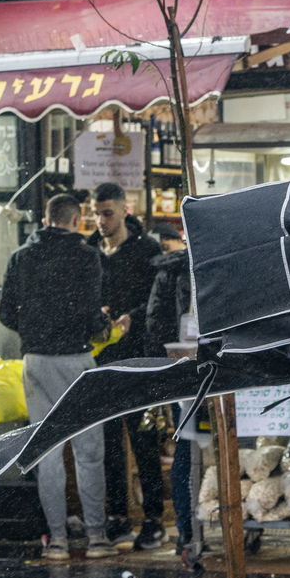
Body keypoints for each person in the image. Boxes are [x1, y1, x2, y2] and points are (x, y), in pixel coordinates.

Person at [0, 194, 120, 561]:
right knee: (88, 451)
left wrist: (34, 329)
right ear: (76, 219)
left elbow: (5, 312)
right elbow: (91, 312)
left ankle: (58, 541)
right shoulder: (86, 256)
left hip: (35, 361)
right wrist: (103, 325)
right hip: (75, 360)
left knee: (46, 453)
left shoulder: (21, 257)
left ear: (47, 219)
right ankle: (96, 537)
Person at [89, 182, 166, 551]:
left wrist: (133, 318)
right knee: (107, 442)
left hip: (137, 357)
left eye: (107, 213)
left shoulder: (147, 250)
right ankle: (117, 516)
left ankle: (153, 518)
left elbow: (158, 300)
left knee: (143, 439)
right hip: (100, 359)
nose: (101, 221)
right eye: (95, 213)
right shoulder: (88, 252)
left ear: (124, 210)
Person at [144, 222, 196, 561]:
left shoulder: (170, 272)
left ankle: (188, 531)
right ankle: (197, 526)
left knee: (189, 449)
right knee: (197, 450)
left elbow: (154, 325)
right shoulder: (221, 265)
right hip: (226, 372)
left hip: (184, 373)